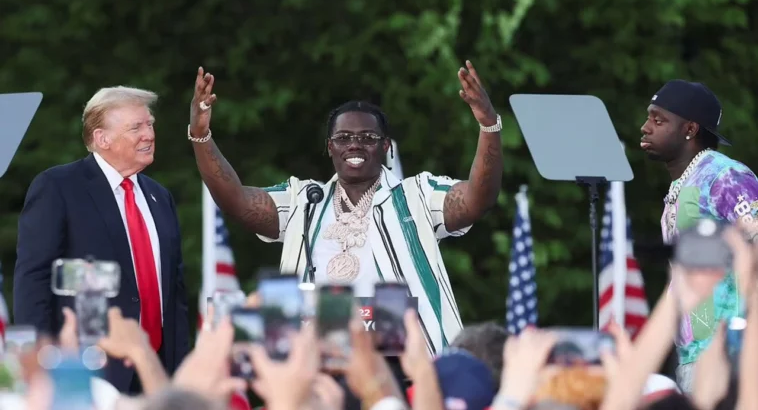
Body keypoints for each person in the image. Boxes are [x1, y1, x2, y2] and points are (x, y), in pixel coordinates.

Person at [187, 60, 502, 353]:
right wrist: (201, 137)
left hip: (409, 364)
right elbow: (237, 201)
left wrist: (489, 126)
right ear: (330, 147)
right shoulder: (304, 201)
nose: (354, 144)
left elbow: (478, 199)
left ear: (386, 146)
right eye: (343, 137)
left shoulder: (417, 194)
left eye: (368, 137)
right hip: (318, 367)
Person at [14, 86, 190, 393]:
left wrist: (180, 367)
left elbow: (175, 291)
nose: (149, 134)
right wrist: (38, 359)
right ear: (101, 138)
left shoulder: (160, 197)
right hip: (88, 366)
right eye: (136, 127)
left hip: (159, 371)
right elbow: (33, 279)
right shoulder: (58, 187)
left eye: (149, 124)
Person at [639, 79, 758, 393]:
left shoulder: (724, 175)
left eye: (658, 119)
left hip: (734, 355)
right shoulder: (684, 183)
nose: (645, 127)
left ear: (690, 129)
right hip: (695, 358)